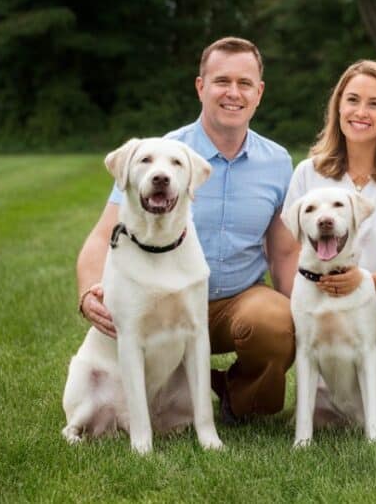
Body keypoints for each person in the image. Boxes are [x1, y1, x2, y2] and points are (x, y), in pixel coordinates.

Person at [76, 37, 298, 425]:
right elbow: (102, 236)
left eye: (245, 83)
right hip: (160, 300)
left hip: (237, 303)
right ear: (201, 87)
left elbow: (283, 254)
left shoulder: (277, 161)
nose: (233, 93)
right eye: (221, 81)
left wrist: (305, 312)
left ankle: (236, 396)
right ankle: (169, 396)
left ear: (259, 92)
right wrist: (87, 293)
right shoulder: (159, 154)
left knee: (276, 322)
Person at [282, 60, 376, 421]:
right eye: (352, 100)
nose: (361, 112)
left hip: (374, 314)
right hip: (315, 309)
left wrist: (359, 280)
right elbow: (290, 251)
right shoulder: (308, 173)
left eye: (375, 104)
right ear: (338, 107)